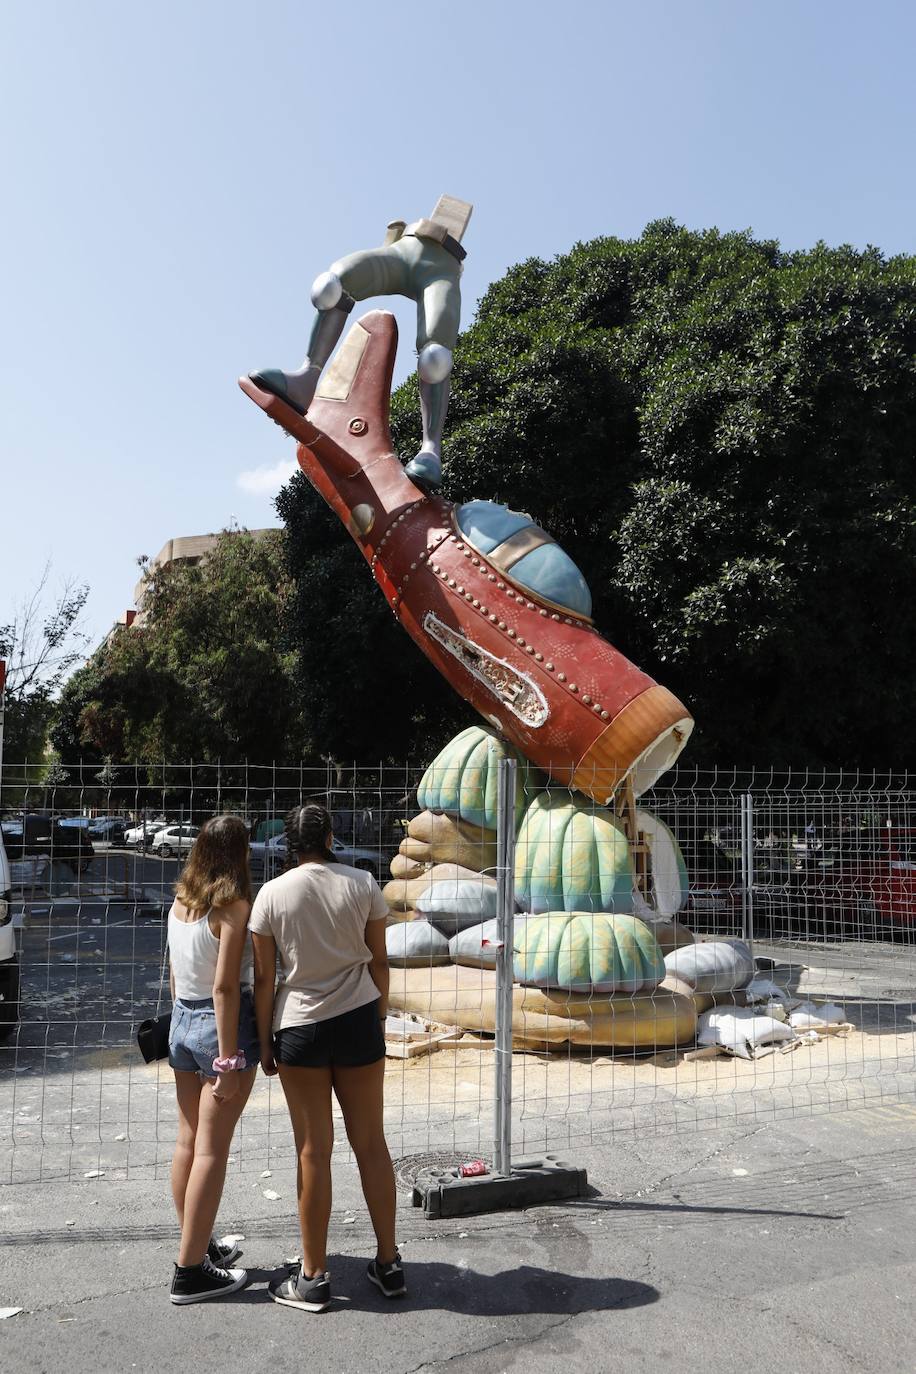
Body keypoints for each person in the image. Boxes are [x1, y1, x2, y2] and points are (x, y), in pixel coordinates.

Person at [251, 802, 404, 1312]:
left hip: (299, 1028)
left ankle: (313, 1276)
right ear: (332, 837)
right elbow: (378, 960)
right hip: (359, 1020)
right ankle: (388, 1263)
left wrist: (265, 1040)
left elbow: (266, 979)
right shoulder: (363, 883)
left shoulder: (271, 894)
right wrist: (379, 1018)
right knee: (372, 1144)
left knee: (313, 1152)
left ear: (289, 846)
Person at [248, 196, 472, 492]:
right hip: (406, 246)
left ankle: (430, 448)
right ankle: (306, 379)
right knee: (330, 286)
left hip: (441, 270)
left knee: (436, 357)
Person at [166, 815, 260, 1304]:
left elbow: (175, 975)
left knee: (188, 1143)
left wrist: (183, 1024)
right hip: (218, 1029)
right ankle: (189, 1272)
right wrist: (228, 1058)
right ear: (238, 854)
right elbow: (225, 987)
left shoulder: (181, 903)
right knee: (211, 1152)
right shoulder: (233, 907)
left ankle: (196, 1247)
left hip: (181, 1022)